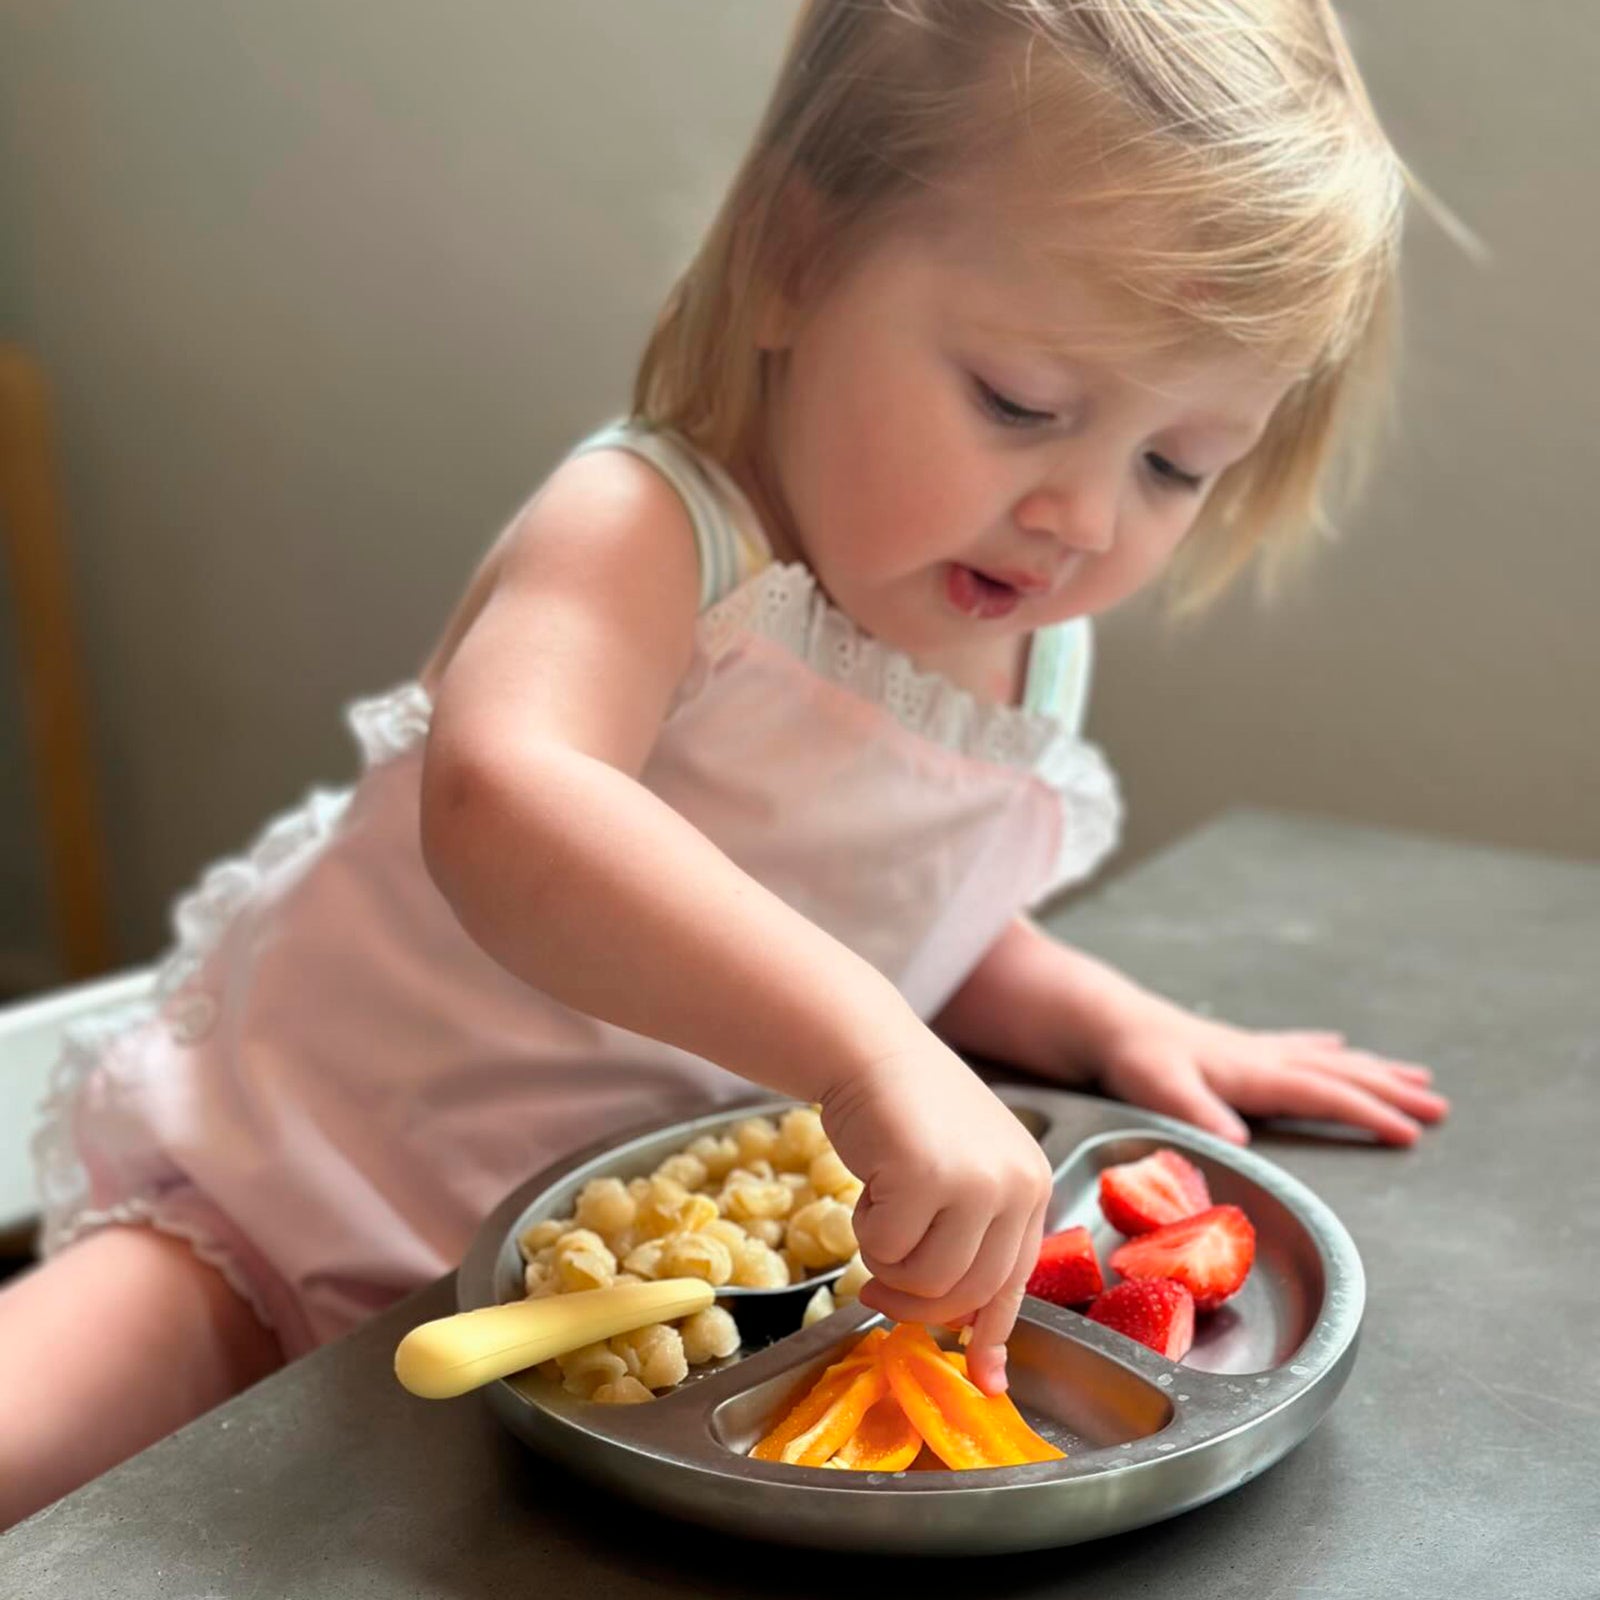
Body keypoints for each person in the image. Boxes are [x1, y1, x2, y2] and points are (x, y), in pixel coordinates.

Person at [1, 0, 1449, 1528]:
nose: (1084, 520)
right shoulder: (653, 532)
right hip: (296, 1195)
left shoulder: (1019, 623)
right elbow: (507, 802)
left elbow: (894, 910)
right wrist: (874, 1056)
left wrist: (1111, 1019)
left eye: (1176, 465)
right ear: (792, 260)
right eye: (1020, 404)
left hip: (633, 1312)